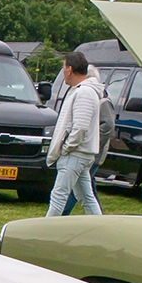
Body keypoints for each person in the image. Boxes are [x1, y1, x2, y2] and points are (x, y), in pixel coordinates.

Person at [45, 52, 103, 217]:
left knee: (58, 197)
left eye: (63, 67)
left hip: (76, 154)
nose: (63, 71)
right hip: (81, 154)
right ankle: (99, 228)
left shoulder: (84, 92)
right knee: (86, 197)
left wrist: (66, 148)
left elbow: (80, 127)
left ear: (69, 69)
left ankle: (45, 233)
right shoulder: (82, 91)